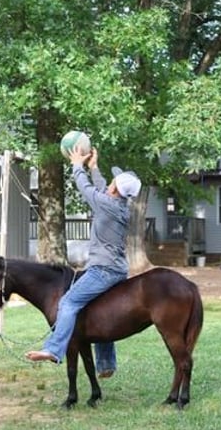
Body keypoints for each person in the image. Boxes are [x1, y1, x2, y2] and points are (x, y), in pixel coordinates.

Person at [25, 146, 141, 378]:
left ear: (116, 188)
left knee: (67, 303)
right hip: (117, 269)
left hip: (103, 270)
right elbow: (100, 188)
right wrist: (94, 167)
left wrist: (77, 165)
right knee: (98, 309)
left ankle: (53, 350)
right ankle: (106, 365)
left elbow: (86, 189)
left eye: (112, 181)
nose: (109, 183)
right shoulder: (118, 204)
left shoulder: (107, 204)